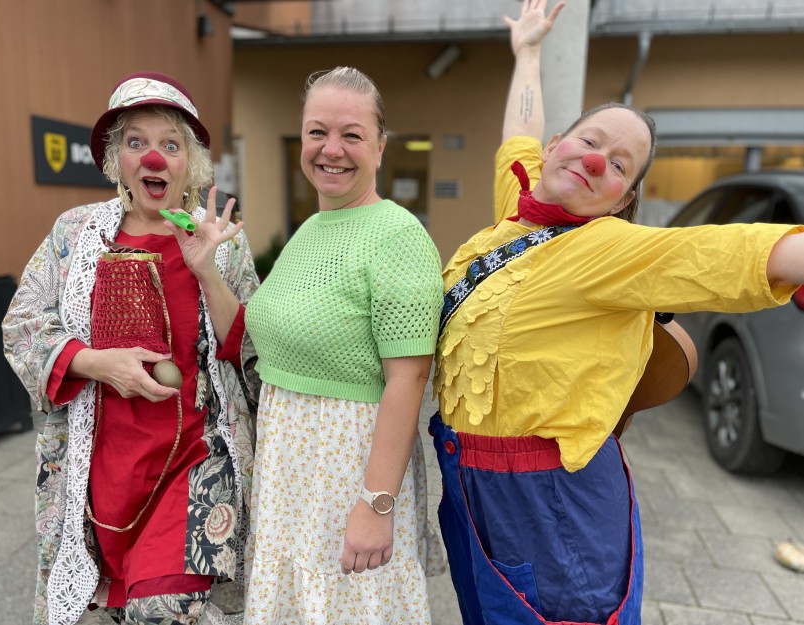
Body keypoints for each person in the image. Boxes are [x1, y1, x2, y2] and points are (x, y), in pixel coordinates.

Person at [430, 1, 804, 624]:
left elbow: (726, 252)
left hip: (553, 508)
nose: (596, 159)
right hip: (471, 488)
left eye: (620, 164)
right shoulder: (516, 212)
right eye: (589, 140)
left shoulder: (607, 249)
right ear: (557, 148)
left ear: (622, 197)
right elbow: (515, 136)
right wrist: (527, 52)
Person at [2, 71, 260, 625]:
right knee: (109, 611)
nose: (153, 157)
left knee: (163, 609)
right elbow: (22, 324)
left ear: (190, 162)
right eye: (136, 142)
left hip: (195, 461)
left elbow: (255, 351)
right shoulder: (75, 233)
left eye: (171, 144)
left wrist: (207, 272)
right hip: (103, 471)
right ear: (116, 159)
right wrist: (96, 364)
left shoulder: (220, 239)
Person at [242, 66, 445, 624]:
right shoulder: (310, 229)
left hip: (348, 467)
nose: (331, 149)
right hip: (288, 466)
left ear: (380, 147)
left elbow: (409, 378)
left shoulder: (399, 237)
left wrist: (377, 505)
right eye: (316, 132)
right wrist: (206, 270)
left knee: (347, 607)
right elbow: (263, 336)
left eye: (352, 134)